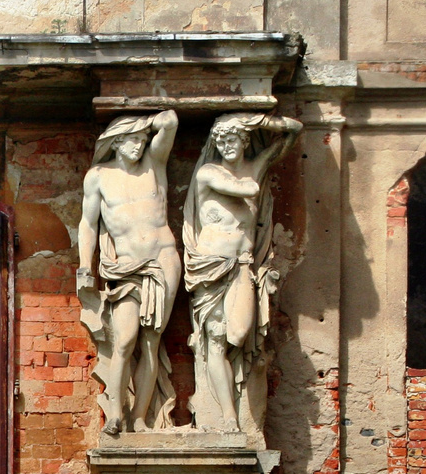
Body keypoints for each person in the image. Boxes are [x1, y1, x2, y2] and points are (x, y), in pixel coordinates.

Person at [182, 111, 303, 432]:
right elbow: (247, 189)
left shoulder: (255, 167)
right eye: (221, 140)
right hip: (208, 266)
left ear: (244, 140)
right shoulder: (208, 173)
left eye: (233, 139)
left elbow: (293, 130)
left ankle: (234, 410)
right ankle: (228, 418)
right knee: (217, 340)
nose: (227, 146)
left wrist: (256, 121)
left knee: (239, 334)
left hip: (243, 266)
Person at [77, 110, 181, 435]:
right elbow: (88, 224)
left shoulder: (155, 164)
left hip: (163, 260)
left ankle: (138, 417)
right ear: (116, 142)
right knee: (124, 339)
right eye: (132, 140)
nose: (138, 146)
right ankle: (115, 413)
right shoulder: (98, 176)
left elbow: (171, 121)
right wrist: (84, 265)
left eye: (141, 140)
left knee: (151, 341)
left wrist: (143, 126)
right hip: (124, 267)